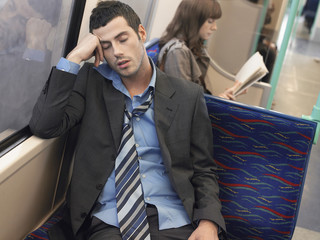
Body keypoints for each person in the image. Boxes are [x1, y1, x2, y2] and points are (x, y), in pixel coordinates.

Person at [29, 1, 226, 240]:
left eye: (123, 39)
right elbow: (44, 125)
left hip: (172, 219)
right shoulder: (91, 83)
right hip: (110, 220)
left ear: (141, 33)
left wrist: (208, 223)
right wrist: (75, 57)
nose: (117, 52)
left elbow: (204, 170)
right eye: (106, 46)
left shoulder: (188, 95)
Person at [158, 0, 242, 100]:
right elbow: (183, 101)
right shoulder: (178, 52)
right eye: (210, 21)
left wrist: (221, 98)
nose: (215, 27)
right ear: (194, 20)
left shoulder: (192, 49)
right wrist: (217, 101)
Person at [0, 0, 62, 134]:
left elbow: (16, 116)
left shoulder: (36, 63)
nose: (7, 19)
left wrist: (35, 46)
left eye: (22, 21)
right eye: (10, 8)